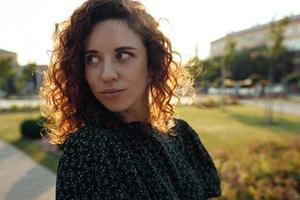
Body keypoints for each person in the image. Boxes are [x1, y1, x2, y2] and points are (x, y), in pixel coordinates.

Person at [40, 0, 221, 199]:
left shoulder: (182, 134)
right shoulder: (89, 148)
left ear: (152, 65)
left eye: (123, 55)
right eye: (92, 58)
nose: (107, 74)